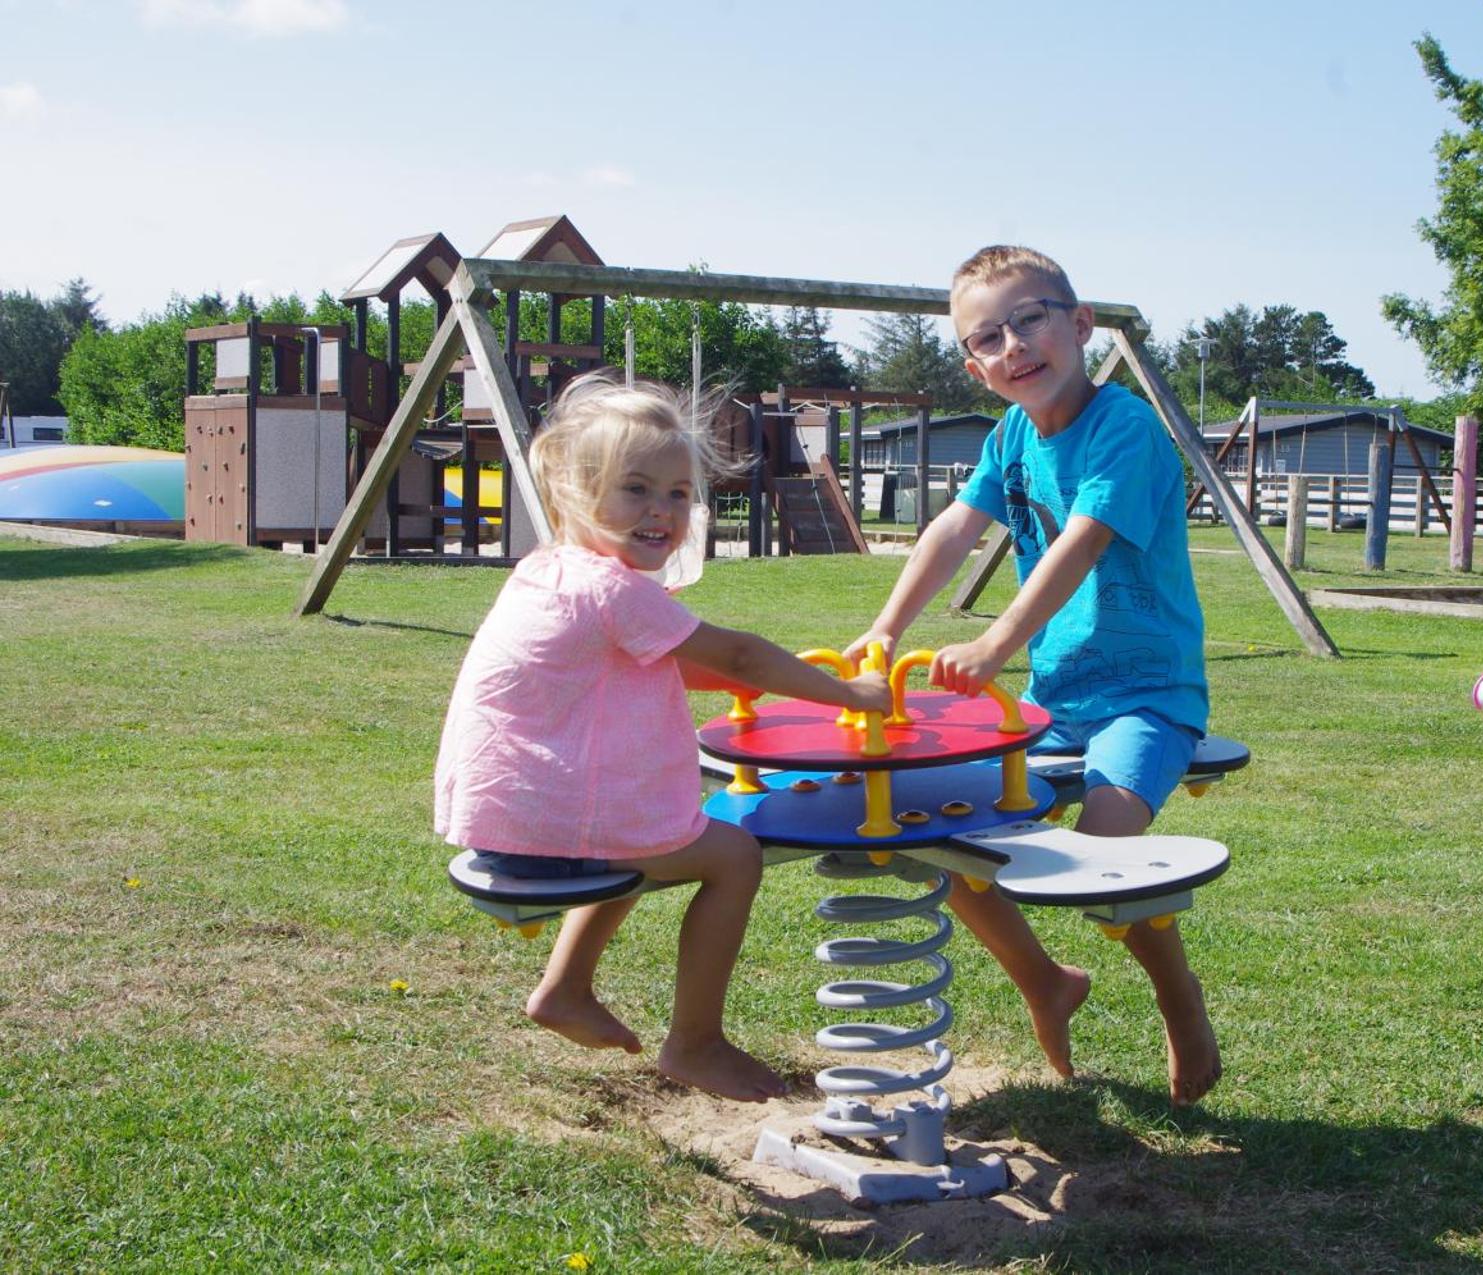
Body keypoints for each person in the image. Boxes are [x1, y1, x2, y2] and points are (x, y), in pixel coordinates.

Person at [435, 371, 891, 1102]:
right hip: (548, 825)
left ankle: (566, 987)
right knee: (733, 856)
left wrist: (744, 681)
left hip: (513, 819)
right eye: (636, 489)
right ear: (577, 494)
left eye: (679, 493)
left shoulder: (550, 571)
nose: (662, 510)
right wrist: (850, 694)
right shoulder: (613, 590)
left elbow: (662, 663)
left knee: (646, 834)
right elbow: (737, 654)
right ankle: (696, 1042)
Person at [846, 245, 1220, 1106]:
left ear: (1079, 324)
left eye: (1029, 319)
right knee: (939, 826)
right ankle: (1045, 980)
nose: (1012, 345)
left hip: (1146, 697)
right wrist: (886, 626)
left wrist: (996, 641)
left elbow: (1080, 543)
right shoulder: (1011, 436)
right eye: (988, 337)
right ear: (974, 368)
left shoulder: (1125, 428)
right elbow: (953, 529)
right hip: (1055, 700)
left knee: (1104, 857)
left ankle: (1178, 993)